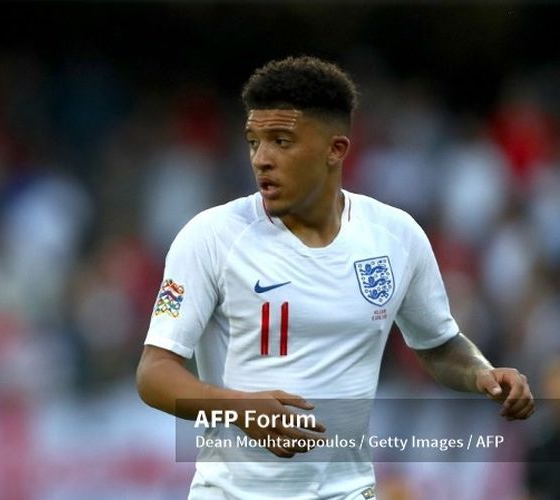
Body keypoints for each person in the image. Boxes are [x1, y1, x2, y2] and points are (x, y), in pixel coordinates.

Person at [136, 55, 534, 500]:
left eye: (281, 141)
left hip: (348, 492)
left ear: (336, 149)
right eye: (253, 141)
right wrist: (238, 409)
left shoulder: (395, 237)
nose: (262, 159)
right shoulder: (210, 237)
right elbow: (154, 373)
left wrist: (482, 373)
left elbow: (438, 344)